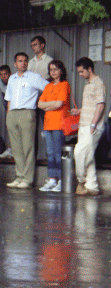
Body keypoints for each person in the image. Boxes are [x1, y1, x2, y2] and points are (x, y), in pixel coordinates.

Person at [5, 52, 48, 188]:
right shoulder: (11, 78)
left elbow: (48, 89)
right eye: (20, 61)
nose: (23, 63)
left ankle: (28, 179)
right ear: (15, 63)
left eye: (25, 61)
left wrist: (40, 102)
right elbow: (9, 98)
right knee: (16, 149)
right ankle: (19, 176)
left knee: (28, 147)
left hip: (27, 113)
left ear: (27, 63)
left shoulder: (34, 77)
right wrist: (8, 116)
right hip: (13, 113)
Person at [70, 57, 107, 195]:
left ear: (89, 69)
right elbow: (91, 105)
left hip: (92, 125)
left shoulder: (98, 83)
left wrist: (93, 124)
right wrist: (79, 110)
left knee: (79, 152)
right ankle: (92, 187)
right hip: (83, 124)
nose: (80, 75)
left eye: (81, 72)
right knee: (89, 156)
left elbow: (101, 105)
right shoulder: (88, 84)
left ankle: (80, 180)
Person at [37, 60, 71, 192]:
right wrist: (51, 105)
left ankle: (62, 180)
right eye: (51, 69)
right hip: (48, 124)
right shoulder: (48, 86)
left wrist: (48, 106)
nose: (53, 72)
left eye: (56, 69)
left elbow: (59, 104)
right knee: (50, 153)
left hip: (59, 124)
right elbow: (39, 104)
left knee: (58, 153)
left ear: (61, 70)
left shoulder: (64, 84)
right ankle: (52, 179)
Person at [0, 65, 13, 159]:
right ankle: (10, 150)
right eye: (1, 74)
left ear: (10, 74)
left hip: (16, 109)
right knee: (9, 129)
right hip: (7, 107)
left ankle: (13, 150)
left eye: (5, 74)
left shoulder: (14, 81)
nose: (3, 76)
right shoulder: (0, 83)